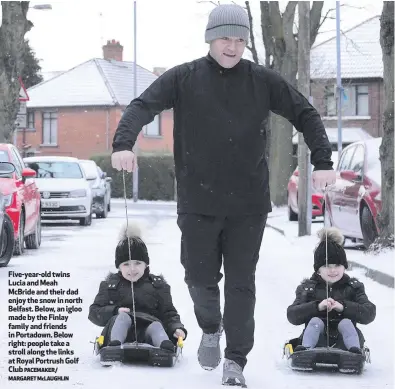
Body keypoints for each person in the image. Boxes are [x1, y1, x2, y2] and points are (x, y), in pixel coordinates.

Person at [111, 3, 336, 386]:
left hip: (248, 203)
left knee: (240, 282)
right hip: (198, 201)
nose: (232, 47)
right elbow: (142, 106)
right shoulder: (184, 78)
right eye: (224, 38)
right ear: (210, 39)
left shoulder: (262, 81)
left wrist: (323, 160)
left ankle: (236, 361)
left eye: (239, 39)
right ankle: (211, 327)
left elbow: (305, 113)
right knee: (199, 278)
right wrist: (123, 142)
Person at [88, 223, 187, 354]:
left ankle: (164, 347)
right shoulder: (110, 286)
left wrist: (176, 328)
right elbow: (94, 312)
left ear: (146, 264)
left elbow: (169, 313)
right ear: (119, 266)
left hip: (148, 333)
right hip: (118, 331)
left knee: (156, 326)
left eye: (138, 263)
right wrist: (115, 311)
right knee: (123, 318)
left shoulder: (157, 286)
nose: (132, 269)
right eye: (126, 264)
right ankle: (114, 347)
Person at [287, 227, 376, 353]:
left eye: (337, 265)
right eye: (327, 266)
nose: (333, 270)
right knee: (315, 322)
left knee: (345, 323)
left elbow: (369, 313)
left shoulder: (353, 287)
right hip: (317, 340)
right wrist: (317, 307)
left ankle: (354, 353)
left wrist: (343, 307)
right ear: (318, 269)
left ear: (344, 267)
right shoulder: (308, 288)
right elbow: (292, 315)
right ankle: (305, 351)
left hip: (346, 342)